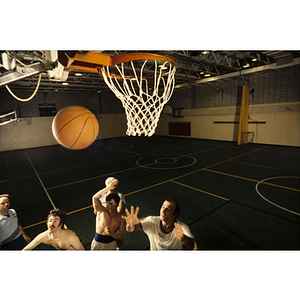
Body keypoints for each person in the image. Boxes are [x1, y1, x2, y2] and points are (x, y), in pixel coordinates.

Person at [122, 198, 199, 250]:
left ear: (175, 214)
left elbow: (195, 246)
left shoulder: (182, 228)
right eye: (163, 207)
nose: (163, 211)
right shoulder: (152, 221)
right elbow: (130, 229)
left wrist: (185, 239)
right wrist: (130, 224)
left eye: (168, 209)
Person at [91, 180, 126, 250]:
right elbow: (95, 198)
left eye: (113, 204)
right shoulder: (102, 211)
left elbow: (122, 234)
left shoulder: (120, 218)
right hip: (98, 243)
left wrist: (111, 233)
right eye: (109, 203)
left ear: (117, 204)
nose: (110, 206)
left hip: (111, 244)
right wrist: (108, 187)